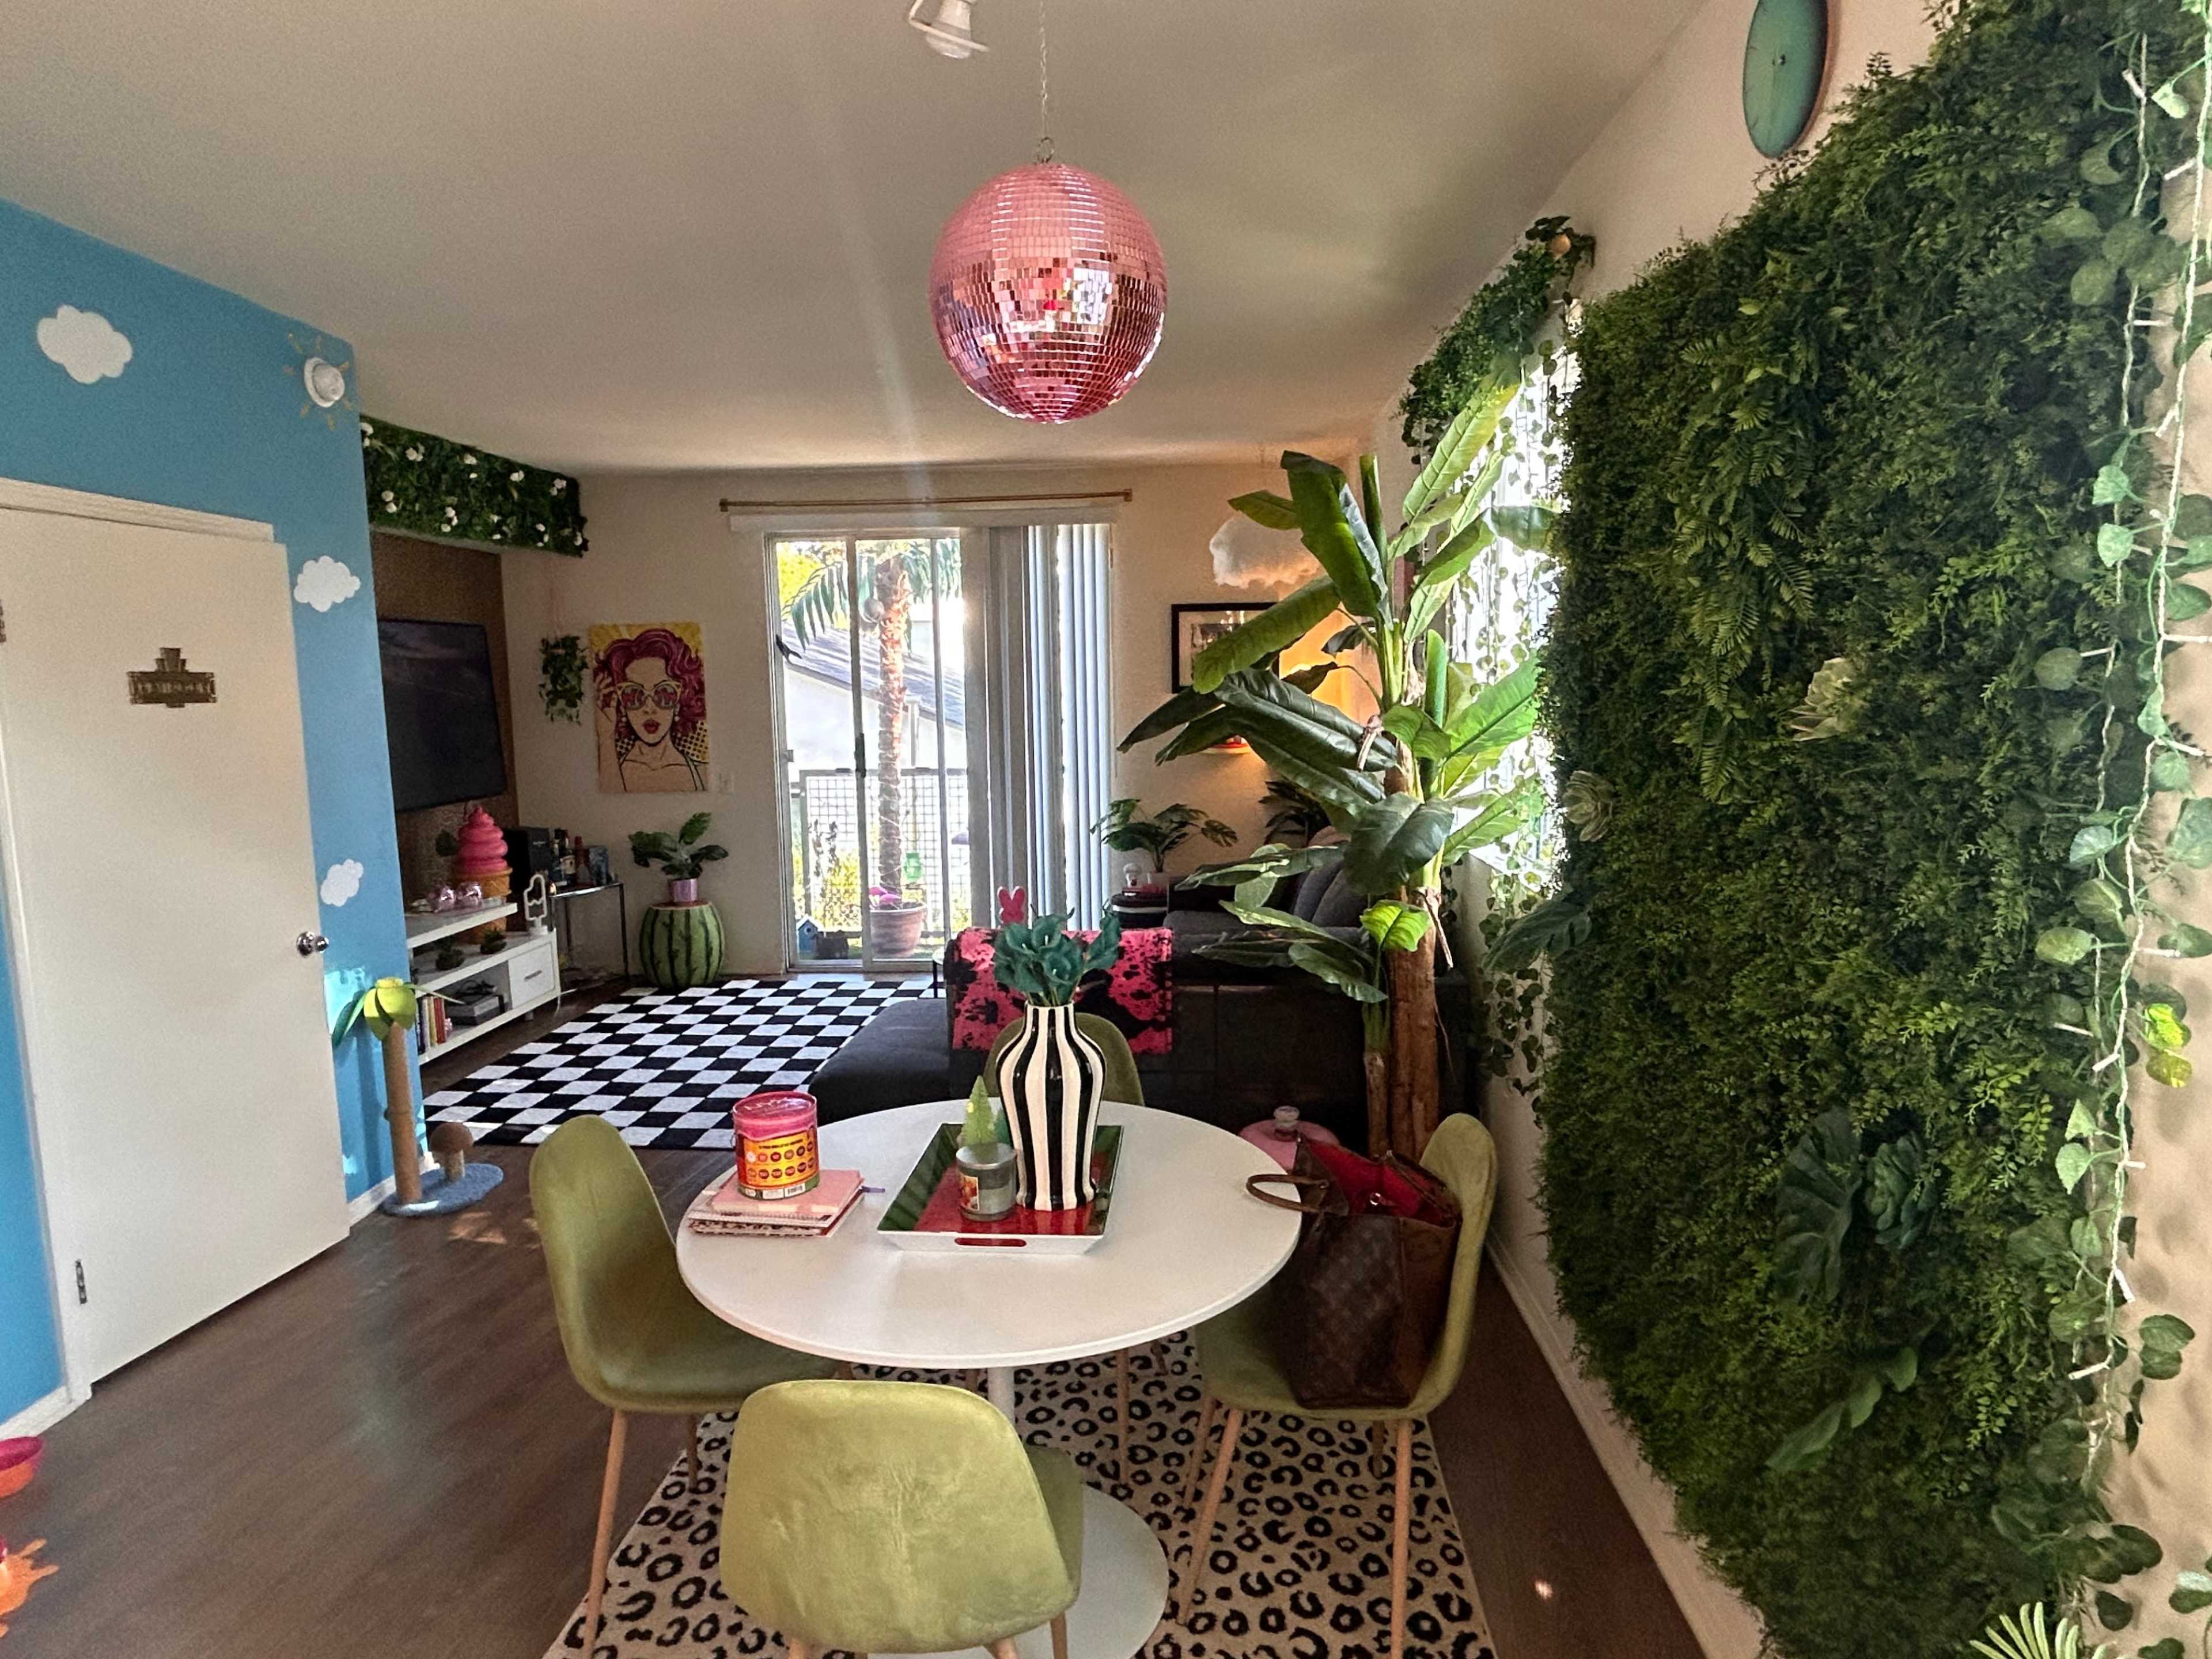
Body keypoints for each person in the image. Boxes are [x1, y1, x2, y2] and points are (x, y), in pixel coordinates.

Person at [594, 626, 707, 791]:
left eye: (664, 693)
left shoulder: (703, 774)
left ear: (679, 701)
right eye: (633, 694)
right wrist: (606, 738)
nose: (649, 709)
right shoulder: (609, 768)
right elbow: (608, 804)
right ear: (622, 706)